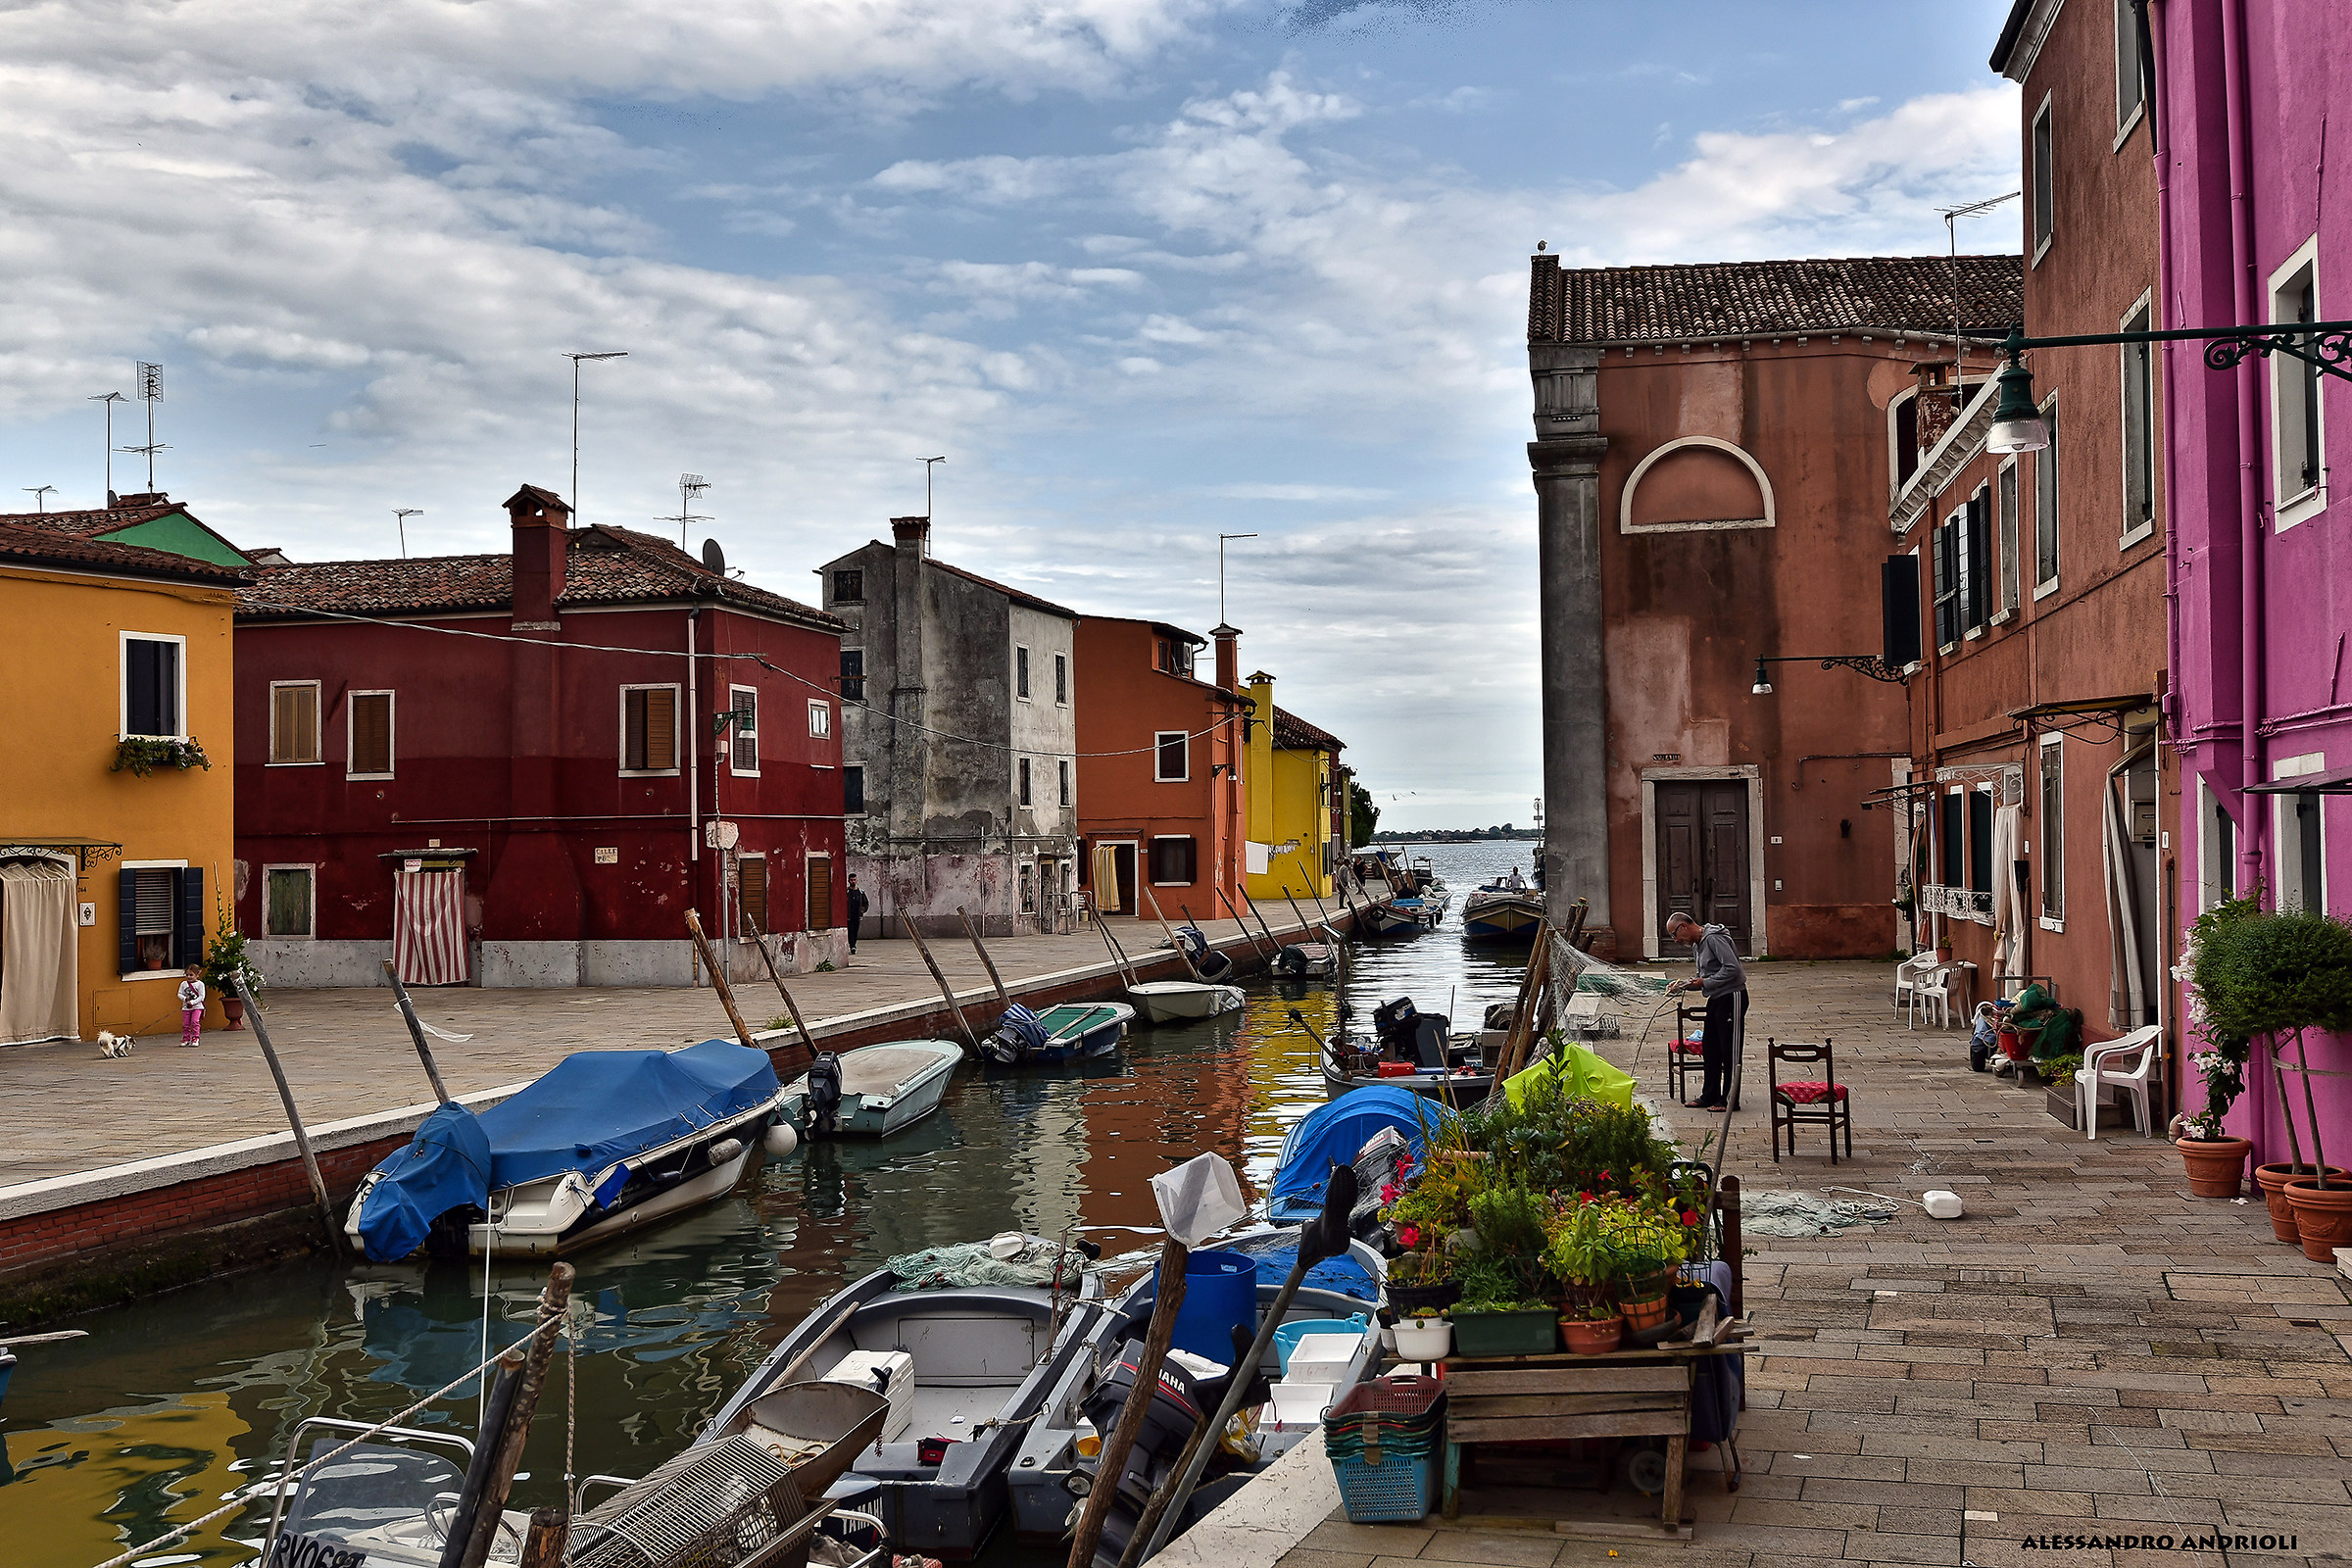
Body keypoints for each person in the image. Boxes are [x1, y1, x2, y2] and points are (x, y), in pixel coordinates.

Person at [1664, 910, 1745, 1111]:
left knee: (1730, 1051)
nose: (1675, 940)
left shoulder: (1714, 938)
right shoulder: (1697, 945)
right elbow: (1704, 975)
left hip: (1732, 996)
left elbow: (1733, 969)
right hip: (1716, 998)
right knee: (1711, 1048)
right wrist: (1683, 985)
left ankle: (1729, 1100)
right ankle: (1709, 1095)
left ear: (1684, 926)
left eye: (1674, 934)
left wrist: (1705, 982)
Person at [177, 966, 207, 1048]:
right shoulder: (184, 984)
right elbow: (179, 994)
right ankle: (186, 1038)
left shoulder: (200, 984)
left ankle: (196, 1038)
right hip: (186, 1007)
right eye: (187, 975)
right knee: (186, 1024)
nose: (189, 977)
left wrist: (193, 1002)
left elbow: (201, 996)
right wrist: (185, 999)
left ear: (197, 975)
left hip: (197, 1007)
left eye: (191, 975)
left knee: (195, 1022)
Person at [845, 874, 868, 956]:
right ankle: (852, 946)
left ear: (856, 880)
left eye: (854, 880)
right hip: (849, 916)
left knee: (855, 931)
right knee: (850, 931)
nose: (853, 881)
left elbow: (866, 903)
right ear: (848, 881)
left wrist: (862, 910)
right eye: (851, 880)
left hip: (857, 915)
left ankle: (853, 944)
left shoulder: (860, 892)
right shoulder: (847, 892)